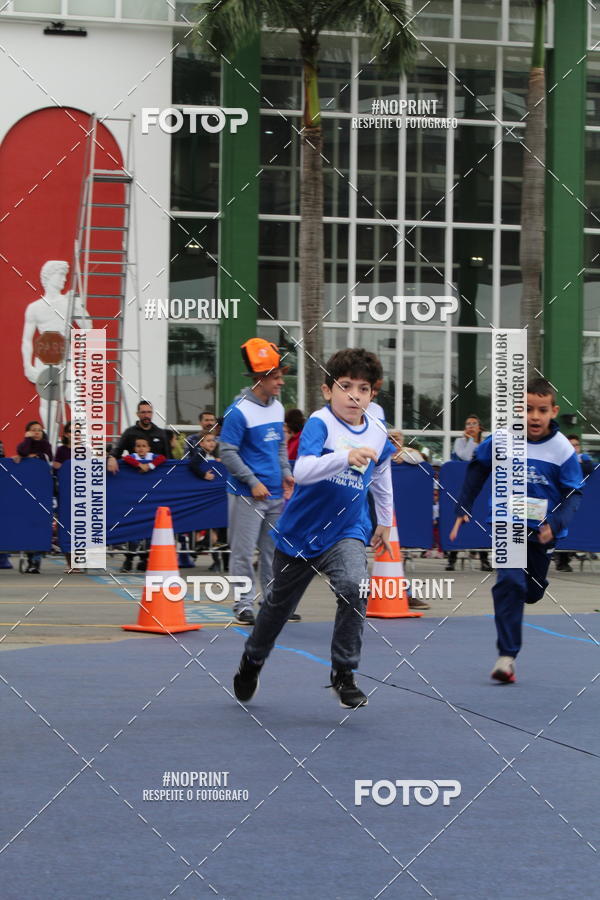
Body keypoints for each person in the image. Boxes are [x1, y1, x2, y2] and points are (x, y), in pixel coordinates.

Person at [233, 347, 395, 709]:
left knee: (355, 587)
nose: (354, 395)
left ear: (373, 393)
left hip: (347, 530)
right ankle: (253, 659)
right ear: (327, 390)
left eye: (364, 389)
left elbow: (381, 471)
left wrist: (385, 519)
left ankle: (344, 672)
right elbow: (303, 470)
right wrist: (343, 457)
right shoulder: (321, 423)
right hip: (300, 534)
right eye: (345, 386)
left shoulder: (378, 430)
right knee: (276, 607)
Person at [449, 377, 583, 684]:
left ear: (553, 412)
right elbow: (478, 468)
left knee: (531, 591)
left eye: (542, 410)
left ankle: (525, 590)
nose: (534, 417)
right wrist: (463, 507)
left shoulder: (562, 450)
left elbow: (574, 494)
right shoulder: (502, 439)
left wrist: (555, 523)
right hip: (507, 522)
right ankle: (507, 657)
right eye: (527, 409)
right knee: (510, 582)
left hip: (543, 530)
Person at [219, 338, 297, 625]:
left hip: (275, 493)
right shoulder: (238, 411)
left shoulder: (276, 408)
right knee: (243, 551)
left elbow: (278, 446)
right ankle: (242, 604)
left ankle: (272, 601)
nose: (281, 383)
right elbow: (226, 452)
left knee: (273, 552)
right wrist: (252, 482)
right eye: (276, 378)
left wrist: (286, 472)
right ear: (261, 379)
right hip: (248, 496)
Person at [447, 414, 492, 572]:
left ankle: (484, 558)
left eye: (474, 423)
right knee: (458, 515)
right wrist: (471, 441)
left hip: (481, 487)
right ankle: (452, 558)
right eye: (468, 423)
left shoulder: (487, 443)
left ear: (480, 427)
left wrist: (475, 442)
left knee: (481, 519)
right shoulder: (460, 442)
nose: (470, 426)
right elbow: (465, 456)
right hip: (462, 485)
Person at [13, 421, 53, 573]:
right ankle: (29, 558)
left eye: (39, 430)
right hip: (26, 491)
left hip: (42, 491)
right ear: (27, 432)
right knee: (27, 524)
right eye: (33, 430)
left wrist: (34, 456)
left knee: (39, 524)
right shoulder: (25, 444)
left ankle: (36, 559)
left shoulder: (45, 445)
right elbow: (22, 452)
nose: (37, 432)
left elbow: (47, 458)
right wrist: (27, 440)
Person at [554, 434, 596, 572]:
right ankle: (561, 560)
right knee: (561, 528)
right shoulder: (559, 458)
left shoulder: (583, 458)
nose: (574, 448)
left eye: (576, 445)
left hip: (580, 502)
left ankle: (575, 554)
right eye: (570, 445)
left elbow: (589, 468)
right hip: (561, 500)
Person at [107, 400, 169, 474]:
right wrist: (111, 458)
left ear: (152, 414)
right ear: (137, 414)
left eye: (149, 412)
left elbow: (168, 457)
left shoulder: (160, 433)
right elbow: (117, 450)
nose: (146, 415)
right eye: (143, 412)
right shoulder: (129, 432)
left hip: (157, 476)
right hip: (135, 476)